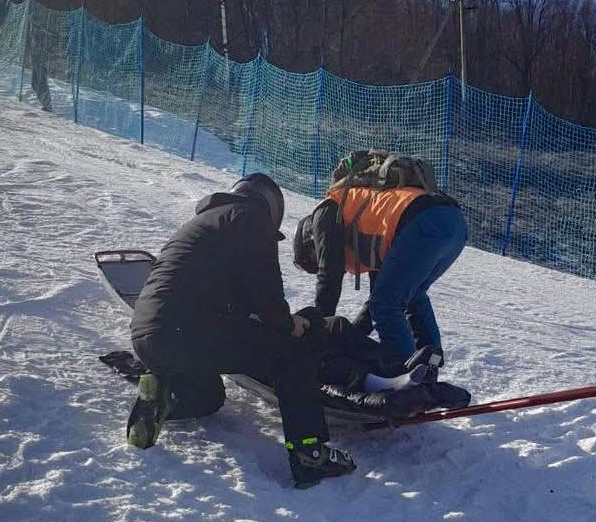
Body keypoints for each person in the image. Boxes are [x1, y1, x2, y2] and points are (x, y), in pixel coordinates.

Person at [127, 172, 356, 489]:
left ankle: (167, 392)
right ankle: (309, 453)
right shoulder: (249, 218)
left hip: (149, 335)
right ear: (270, 205)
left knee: (209, 399)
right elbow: (267, 297)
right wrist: (291, 324)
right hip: (185, 330)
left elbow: (232, 298)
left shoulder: (204, 224)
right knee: (292, 352)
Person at [297, 154, 468, 363]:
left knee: (387, 304)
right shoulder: (366, 231)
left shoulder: (325, 213)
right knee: (410, 295)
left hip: (421, 221)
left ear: (309, 242)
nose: (319, 262)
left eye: (314, 260)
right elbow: (373, 301)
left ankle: (402, 374)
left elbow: (329, 275)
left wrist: (319, 334)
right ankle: (428, 363)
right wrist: (350, 336)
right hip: (452, 222)